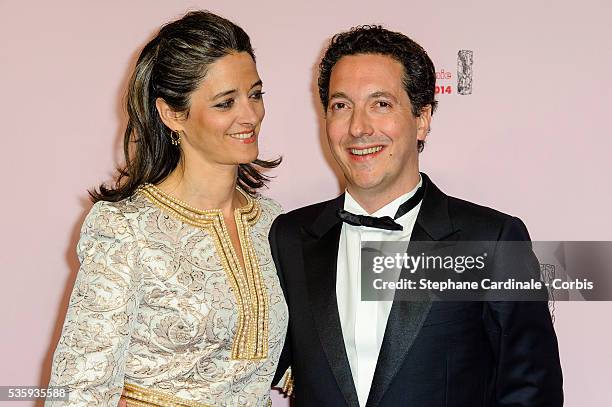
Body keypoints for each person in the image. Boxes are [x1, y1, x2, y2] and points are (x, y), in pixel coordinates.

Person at [270, 26, 563, 406]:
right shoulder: (289, 237)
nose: (358, 128)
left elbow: (531, 393)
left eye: (381, 104)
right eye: (341, 105)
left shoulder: (491, 240)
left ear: (422, 118)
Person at [46, 11, 287, 406]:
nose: (250, 115)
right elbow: (78, 389)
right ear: (172, 114)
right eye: (226, 103)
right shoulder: (125, 228)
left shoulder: (273, 222)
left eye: (255, 94)